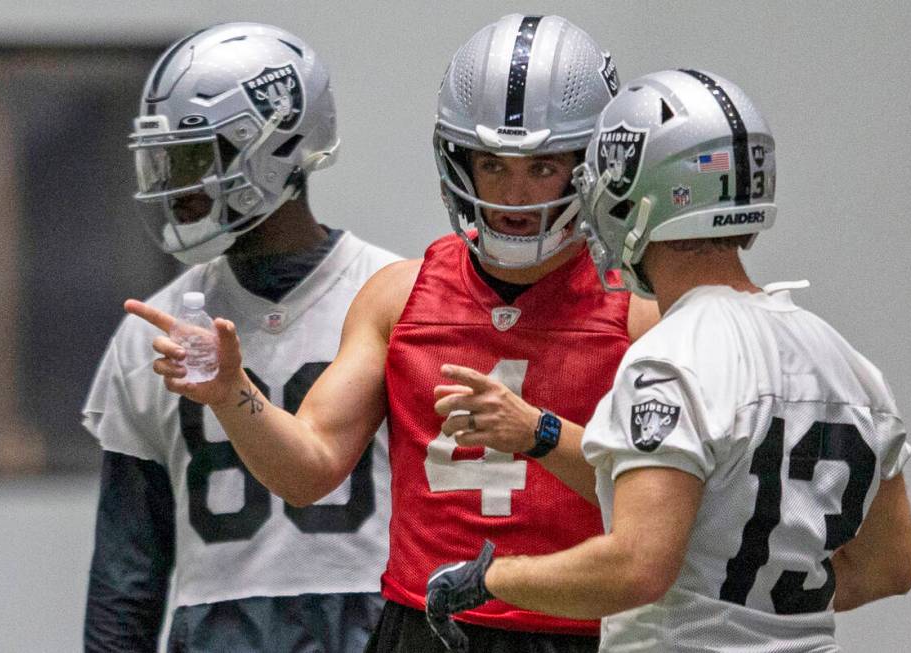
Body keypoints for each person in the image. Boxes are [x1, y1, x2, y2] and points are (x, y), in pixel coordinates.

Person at [126, 14, 659, 653]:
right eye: (493, 165)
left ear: (586, 167)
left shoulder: (639, 314)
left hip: (581, 632)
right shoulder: (399, 296)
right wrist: (232, 393)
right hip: (423, 630)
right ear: (459, 161)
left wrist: (539, 434)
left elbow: (655, 522)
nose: (516, 195)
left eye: (542, 168)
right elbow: (309, 470)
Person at [426, 69, 911, 652]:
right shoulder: (849, 364)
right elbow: (888, 568)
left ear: (636, 195)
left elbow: (636, 567)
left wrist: (490, 577)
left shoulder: (669, 357)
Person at [83, 23, 399, 652]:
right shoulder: (154, 327)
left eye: (196, 157)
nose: (177, 183)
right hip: (216, 632)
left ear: (273, 147)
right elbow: (127, 578)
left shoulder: (397, 299)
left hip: (372, 626)